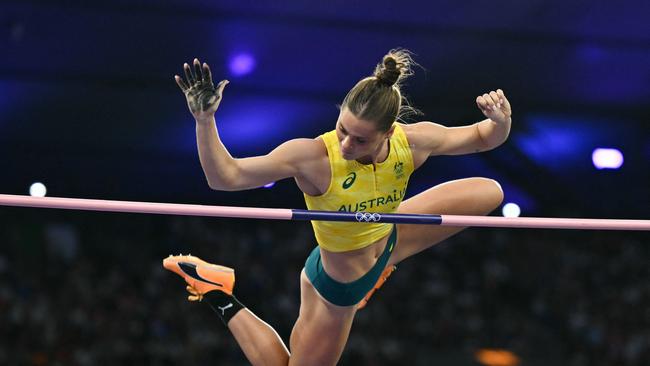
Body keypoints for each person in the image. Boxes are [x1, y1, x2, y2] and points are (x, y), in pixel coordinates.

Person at [164, 49, 510, 365]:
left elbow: (483, 138)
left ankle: (381, 258)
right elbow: (225, 177)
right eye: (342, 129)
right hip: (340, 285)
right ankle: (218, 292)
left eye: (360, 140)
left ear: (388, 132)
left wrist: (500, 121)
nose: (346, 144)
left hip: (389, 238)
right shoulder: (313, 157)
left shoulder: (413, 142)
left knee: (491, 192)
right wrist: (204, 121)